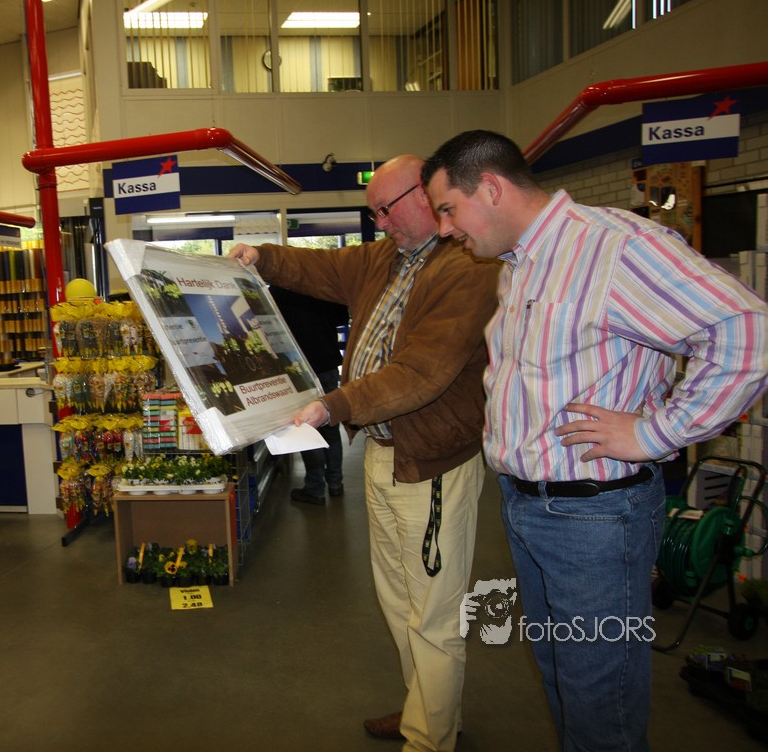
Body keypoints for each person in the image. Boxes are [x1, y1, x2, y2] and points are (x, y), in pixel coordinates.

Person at [422, 129, 768, 752]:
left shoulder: (615, 248)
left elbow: (747, 331)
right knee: (563, 676)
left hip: (594, 518)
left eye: (448, 209)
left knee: (599, 697)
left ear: (491, 188)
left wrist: (656, 432)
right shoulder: (522, 262)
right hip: (530, 507)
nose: (444, 229)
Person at [229, 155, 501, 751]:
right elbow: (321, 268)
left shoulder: (467, 268)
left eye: (386, 209)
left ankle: (429, 738)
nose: (380, 222)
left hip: (431, 462)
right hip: (383, 452)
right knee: (399, 600)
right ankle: (427, 711)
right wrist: (262, 257)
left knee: (433, 611)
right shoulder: (386, 258)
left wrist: (334, 406)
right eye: (373, 212)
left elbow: (422, 372)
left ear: (425, 195)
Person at [272, 286, 350, 504]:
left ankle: (315, 488)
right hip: (327, 362)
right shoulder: (324, 286)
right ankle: (335, 483)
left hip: (298, 369)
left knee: (305, 425)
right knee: (331, 426)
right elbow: (341, 317)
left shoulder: (279, 290)